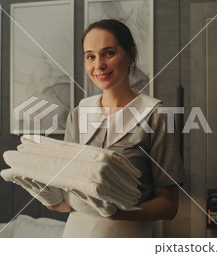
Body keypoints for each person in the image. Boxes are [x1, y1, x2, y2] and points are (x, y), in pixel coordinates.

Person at [47, 19, 186, 237]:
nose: (98, 65)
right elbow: (70, 193)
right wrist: (53, 199)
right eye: (90, 56)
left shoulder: (155, 116)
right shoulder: (78, 114)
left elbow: (169, 205)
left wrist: (119, 212)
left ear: (130, 55)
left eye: (108, 53)